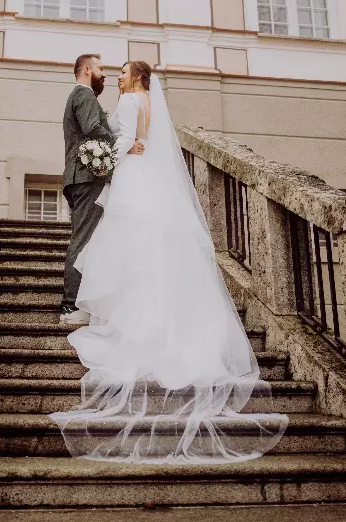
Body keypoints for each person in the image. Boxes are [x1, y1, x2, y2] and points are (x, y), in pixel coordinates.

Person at [50, 60, 288, 463]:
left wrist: (116, 156)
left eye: (124, 72)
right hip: (150, 181)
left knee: (125, 246)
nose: (118, 77)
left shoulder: (127, 101)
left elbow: (122, 139)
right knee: (150, 247)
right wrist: (134, 147)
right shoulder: (151, 104)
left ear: (138, 77)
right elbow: (147, 140)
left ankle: (120, 316)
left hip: (131, 177)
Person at [60, 54, 142, 325]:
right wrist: (125, 145)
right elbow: (93, 128)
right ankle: (71, 307)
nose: (104, 73)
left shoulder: (82, 96)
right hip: (86, 177)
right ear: (86, 69)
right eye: (100, 68)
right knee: (82, 240)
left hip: (82, 177)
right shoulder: (83, 95)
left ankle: (81, 302)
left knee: (89, 241)